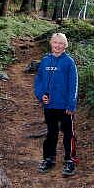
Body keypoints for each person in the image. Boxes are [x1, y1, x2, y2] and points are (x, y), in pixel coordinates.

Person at [34, 32, 79, 177]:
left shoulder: (69, 62)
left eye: (61, 43)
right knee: (51, 133)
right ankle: (49, 158)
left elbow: (74, 84)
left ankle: (70, 160)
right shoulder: (45, 61)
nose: (58, 46)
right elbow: (39, 80)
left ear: (65, 45)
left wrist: (71, 104)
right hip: (50, 106)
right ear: (51, 44)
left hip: (65, 106)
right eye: (55, 43)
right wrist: (41, 96)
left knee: (68, 134)